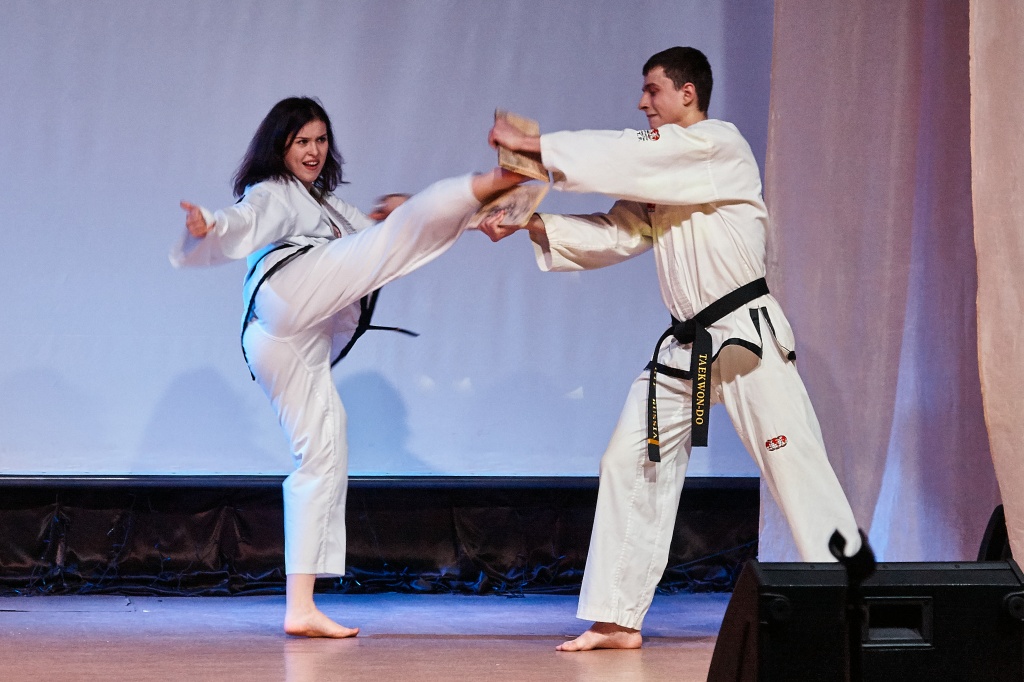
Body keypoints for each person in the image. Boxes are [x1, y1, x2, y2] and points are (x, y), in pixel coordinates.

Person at [483, 47, 860, 651]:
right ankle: (617, 617)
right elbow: (618, 233)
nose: (642, 103)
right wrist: (528, 221)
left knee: (795, 466)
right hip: (687, 348)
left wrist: (536, 147)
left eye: (652, 90)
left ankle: (852, 609)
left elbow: (630, 154)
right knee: (630, 462)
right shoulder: (663, 173)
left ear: (688, 93)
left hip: (744, 338)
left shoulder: (716, 144)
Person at [171, 97, 524, 638]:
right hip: (287, 293)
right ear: (280, 147)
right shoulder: (275, 190)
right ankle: (496, 178)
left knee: (324, 452)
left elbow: (384, 233)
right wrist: (209, 223)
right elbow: (247, 218)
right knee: (390, 239)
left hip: (286, 341)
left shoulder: (329, 206)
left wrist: (478, 222)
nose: (313, 151)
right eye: (301, 142)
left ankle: (301, 607)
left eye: (320, 140)